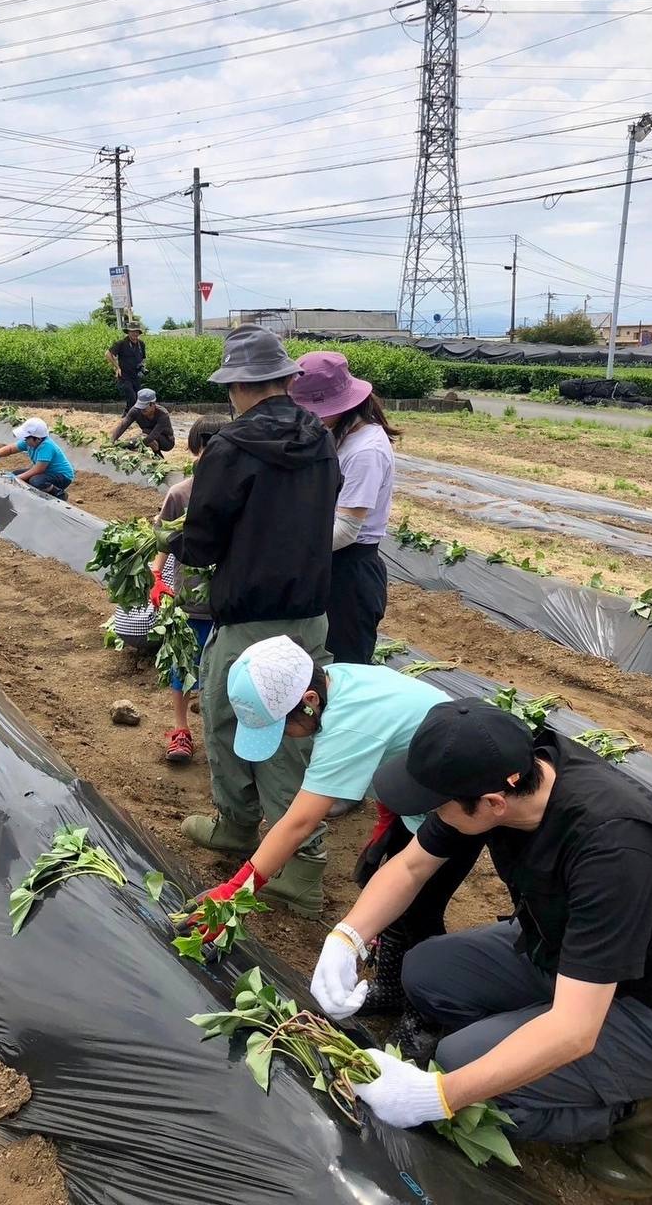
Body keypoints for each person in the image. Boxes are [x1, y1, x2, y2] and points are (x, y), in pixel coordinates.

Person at [310, 697, 652, 1198]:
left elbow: (574, 1030)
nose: (431, 814)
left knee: (463, 1065)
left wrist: (439, 1096)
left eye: (438, 805)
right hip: (570, 955)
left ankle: (636, 1106)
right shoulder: (502, 774)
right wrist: (347, 936)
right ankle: (533, 1034)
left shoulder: (614, 845)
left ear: (493, 805)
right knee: (426, 971)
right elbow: (412, 866)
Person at [186, 635, 479, 1050]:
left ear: (307, 699)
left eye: (283, 725)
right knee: (386, 887)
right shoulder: (337, 681)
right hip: (421, 799)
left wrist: (234, 894)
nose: (286, 737)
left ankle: (426, 1015)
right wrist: (388, 819)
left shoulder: (348, 725)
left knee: (419, 908)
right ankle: (394, 989)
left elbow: (299, 822)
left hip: (465, 808)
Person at [166, 324, 340, 916]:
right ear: (288, 381)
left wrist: (179, 546)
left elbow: (206, 536)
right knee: (298, 725)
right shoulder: (319, 439)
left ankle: (274, 849)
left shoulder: (231, 448)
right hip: (310, 611)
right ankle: (274, 842)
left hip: (250, 615)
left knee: (229, 716)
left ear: (238, 386)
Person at [289, 352, 397, 665]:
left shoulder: (366, 450)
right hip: (325, 563)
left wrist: (287, 548)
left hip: (349, 573)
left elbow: (347, 531)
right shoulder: (338, 437)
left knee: (343, 670)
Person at [148, 415, 226, 763]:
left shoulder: (240, 494)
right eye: (202, 449)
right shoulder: (180, 494)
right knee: (182, 666)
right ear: (193, 450)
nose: (207, 456)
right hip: (190, 599)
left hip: (229, 603)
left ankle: (221, 736)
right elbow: (163, 542)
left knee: (220, 672)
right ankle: (181, 730)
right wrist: (157, 577)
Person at [0, 417, 74, 499]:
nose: (24, 440)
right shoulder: (29, 442)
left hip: (62, 476)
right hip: (46, 472)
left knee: (36, 481)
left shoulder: (47, 446)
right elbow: (10, 449)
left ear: (37, 439)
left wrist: (18, 478)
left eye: (26, 438)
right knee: (15, 474)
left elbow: (38, 469)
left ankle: (59, 494)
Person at [111, 388, 176, 455]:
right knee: (144, 434)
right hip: (147, 435)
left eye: (144, 408)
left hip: (166, 441)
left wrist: (130, 444)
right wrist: (112, 440)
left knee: (145, 435)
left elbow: (153, 435)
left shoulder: (163, 414)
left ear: (152, 404)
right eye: (140, 407)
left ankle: (158, 456)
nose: (141, 410)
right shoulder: (136, 410)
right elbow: (124, 424)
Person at [106, 323, 146, 413]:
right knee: (132, 397)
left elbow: (143, 359)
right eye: (132, 331)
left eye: (136, 332)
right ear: (128, 332)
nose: (134, 334)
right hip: (124, 375)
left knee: (137, 396)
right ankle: (134, 417)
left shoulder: (141, 344)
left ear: (139, 333)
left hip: (136, 375)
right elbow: (108, 354)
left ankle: (127, 414)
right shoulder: (121, 343)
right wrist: (117, 367)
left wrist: (142, 367)